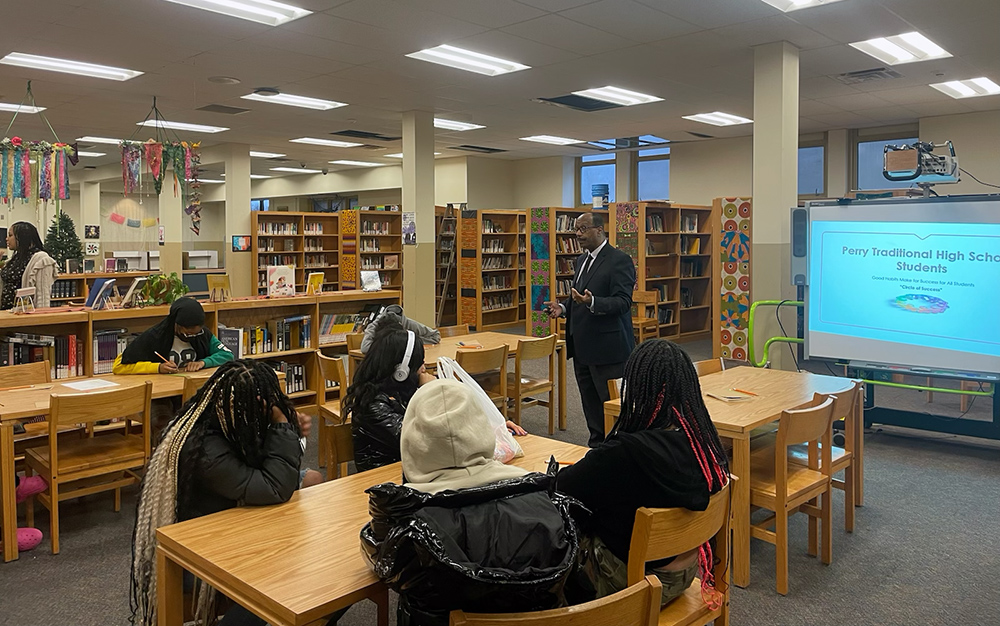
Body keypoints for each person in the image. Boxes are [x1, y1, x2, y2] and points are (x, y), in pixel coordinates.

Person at [361, 379, 580, 626]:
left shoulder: (408, 523)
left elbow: (380, 559)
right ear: (482, 428)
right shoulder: (544, 498)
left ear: (412, 440)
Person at [130, 360, 325, 626]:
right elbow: (274, 487)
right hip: (193, 555)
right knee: (285, 573)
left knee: (312, 484)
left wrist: (287, 432)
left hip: (232, 515)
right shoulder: (204, 448)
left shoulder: (228, 422)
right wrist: (281, 426)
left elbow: (276, 479)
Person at [556, 340, 729, 608]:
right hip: (685, 573)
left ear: (636, 388)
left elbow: (562, 489)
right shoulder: (701, 442)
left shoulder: (625, 453)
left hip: (633, 581)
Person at [344, 324, 525, 472]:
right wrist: (432, 389)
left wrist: (490, 426)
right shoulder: (373, 404)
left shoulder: (403, 388)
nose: (424, 368)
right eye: (419, 363)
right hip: (386, 478)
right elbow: (426, 441)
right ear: (401, 371)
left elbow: (446, 422)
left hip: (420, 471)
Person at [546, 212, 635, 447]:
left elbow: (623, 302)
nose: (578, 234)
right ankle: (596, 446)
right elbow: (578, 297)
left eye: (583, 229)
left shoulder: (619, 260)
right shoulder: (581, 260)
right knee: (590, 402)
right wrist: (563, 308)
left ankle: (618, 449)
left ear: (599, 230)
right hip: (582, 346)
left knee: (611, 404)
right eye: (576, 229)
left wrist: (593, 302)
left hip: (609, 348)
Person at [114, 297, 234, 374]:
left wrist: (203, 362)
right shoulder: (155, 336)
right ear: (176, 325)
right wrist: (157, 368)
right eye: (188, 333)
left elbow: (227, 355)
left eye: (195, 333)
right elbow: (118, 366)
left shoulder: (203, 334)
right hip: (160, 392)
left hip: (193, 389)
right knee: (163, 413)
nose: (191, 337)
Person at [0, 221, 59, 309]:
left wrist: (40, 318)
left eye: (10, 235)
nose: (7, 239)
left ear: (22, 237)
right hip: (7, 313)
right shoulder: (15, 258)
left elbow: (42, 296)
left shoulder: (41, 259)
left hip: (24, 315)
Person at [359, 304, 440, 354]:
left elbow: (435, 335)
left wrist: (410, 342)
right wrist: (393, 346)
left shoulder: (407, 323)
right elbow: (365, 348)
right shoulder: (375, 325)